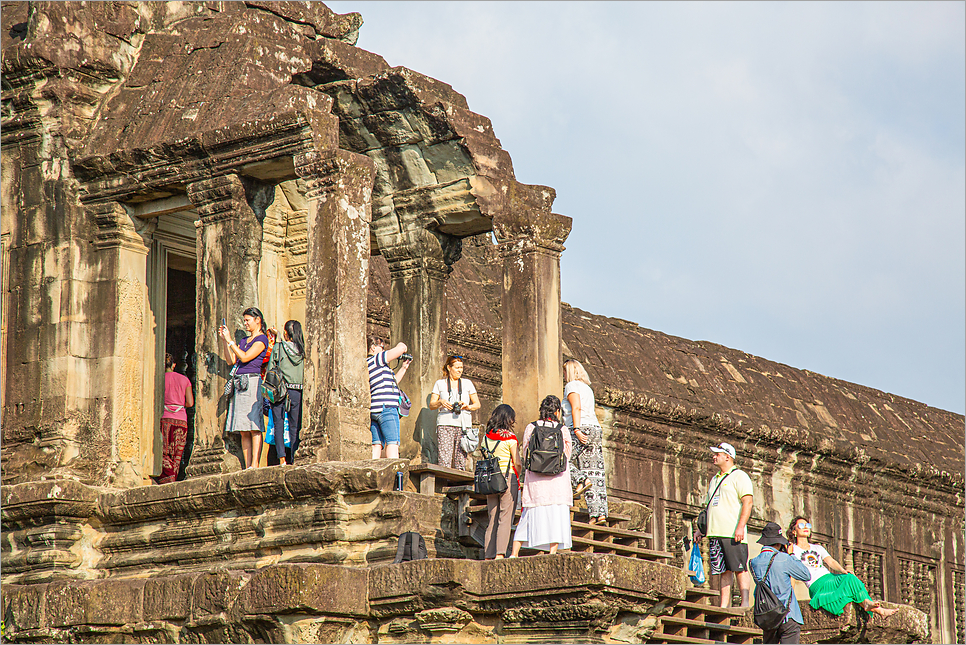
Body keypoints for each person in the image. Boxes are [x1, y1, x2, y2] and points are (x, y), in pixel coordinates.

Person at [787, 516, 898, 619]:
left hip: (829, 577)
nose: (806, 528)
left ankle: (869, 605)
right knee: (849, 586)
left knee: (850, 577)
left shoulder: (817, 547)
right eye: (801, 526)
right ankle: (877, 609)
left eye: (808, 525)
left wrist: (842, 570)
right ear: (794, 531)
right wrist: (789, 595)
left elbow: (830, 561)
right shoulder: (793, 550)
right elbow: (790, 571)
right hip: (816, 584)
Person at [511, 395, 573, 557]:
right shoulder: (562, 430)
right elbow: (567, 455)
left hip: (536, 484)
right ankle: (552, 552)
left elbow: (525, 453)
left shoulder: (531, 427)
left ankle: (514, 553)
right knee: (556, 518)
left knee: (527, 517)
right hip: (557, 484)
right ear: (558, 412)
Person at [694, 441, 754, 608]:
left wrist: (741, 526)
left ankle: (745, 602)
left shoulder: (739, 476)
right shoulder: (714, 479)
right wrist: (700, 529)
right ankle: (724, 604)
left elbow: (747, 502)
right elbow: (707, 506)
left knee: (739, 568)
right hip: (715, 532)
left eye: (717, 454)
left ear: (728, 457)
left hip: (733, 531)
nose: (714, 457)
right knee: (722, 570)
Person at [219, 307, 269, 469]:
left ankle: (255, 464)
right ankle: (247, 465)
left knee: (254, 426)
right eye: (245, 320)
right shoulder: (243, 341)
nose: (245, 323)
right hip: (239, 381)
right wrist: (226, 342)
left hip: (252, 382)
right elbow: (231, 360)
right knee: (243, 428)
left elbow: (245, 357)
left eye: (248, 320)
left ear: (258, 320)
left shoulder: (262, 339)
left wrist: (231, 341)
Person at [562, 359, 608, 525]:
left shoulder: (571, 386)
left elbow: (576, 408)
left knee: (559, 458)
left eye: (565, 371)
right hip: (595, 428)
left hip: (582, 427)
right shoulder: (588, 389)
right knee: (595, 472)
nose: (564, 375)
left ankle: (580, 479)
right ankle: (598, 514)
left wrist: (576, 429)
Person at [749, 522, 811, 644]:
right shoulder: (784, 558)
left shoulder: (753, 562)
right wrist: (792, 554)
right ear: (778, 543)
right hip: (788, 615)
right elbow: (806, 575)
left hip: (768, 616)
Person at [481, 404, 520, 559]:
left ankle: (488, 555)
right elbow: (517, 462)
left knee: (492, 518)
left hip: (490, 479)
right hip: (507, 479)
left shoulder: (486, 437)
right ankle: (500, 554)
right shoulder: (510, 438)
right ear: (508, 419)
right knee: (505, 517)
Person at [429, 355, 481, 469]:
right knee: (444, 458)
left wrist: (467, 406)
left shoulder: (467, 383)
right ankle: (443, 483)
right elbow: (431, 405)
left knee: (461, 459)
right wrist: (441, 402)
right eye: (457, 367)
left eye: (461, 367)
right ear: (449, 367)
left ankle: (458, 484)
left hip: (463, 425)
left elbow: (477, 404)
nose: (460, 370)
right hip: (445, 424)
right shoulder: (440, 383)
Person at [266, 320, 305, 465]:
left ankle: (282, 459)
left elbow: (271, 370)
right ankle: (294, 457)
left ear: (286, 333)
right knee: (295, 426)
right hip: (297, 391)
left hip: (279, 390)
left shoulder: (278, 347)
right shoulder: (303, 351)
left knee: (278, 424)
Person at [367, 335, 411, 459]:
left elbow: (393, 383)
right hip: (387, 408)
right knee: (393, 442)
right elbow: (402, 348)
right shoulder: (377, 359)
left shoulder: (372, 365)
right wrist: (401, 347)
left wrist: (403, 368)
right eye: (382, 347)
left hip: (375, 409)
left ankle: (371, 469)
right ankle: (394, 474)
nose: (384, 350)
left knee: (376, 444)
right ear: (373, 347)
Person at [160, 353, 193, 484]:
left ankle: (166, 481)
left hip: (165, 418)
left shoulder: (159, 379)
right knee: (177, 455)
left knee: (164, 453)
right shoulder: (184, 380)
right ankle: (174, 478)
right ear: (174, 365)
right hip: (181, 420)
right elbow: (190, 403)